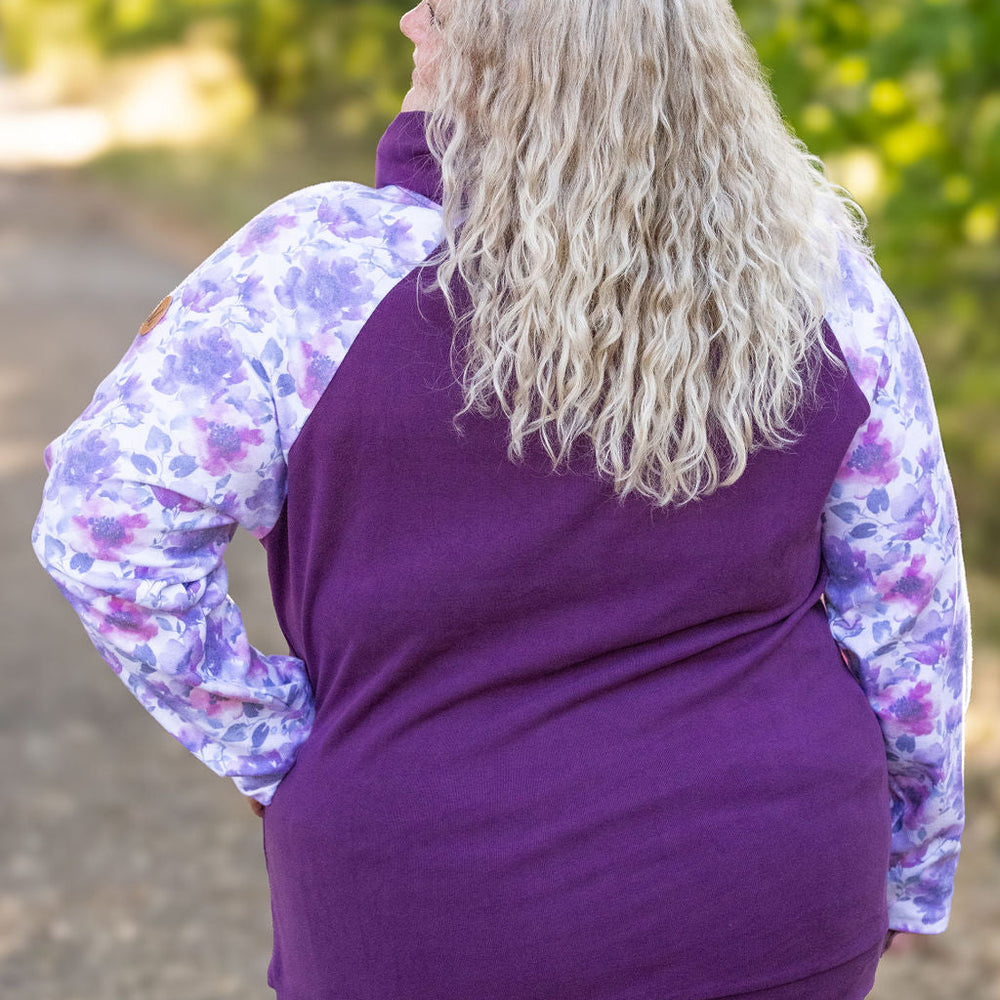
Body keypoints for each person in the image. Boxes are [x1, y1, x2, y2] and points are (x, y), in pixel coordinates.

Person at [32, 0, 971, 997]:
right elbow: (910, 616)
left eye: (437, 7)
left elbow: (105, 525)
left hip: (430, 904)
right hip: (775, 879)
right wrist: (909, 870)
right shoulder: (822, 284)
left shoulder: (315, 274)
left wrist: (269, 741)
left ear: (504, 48)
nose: (407, 24)